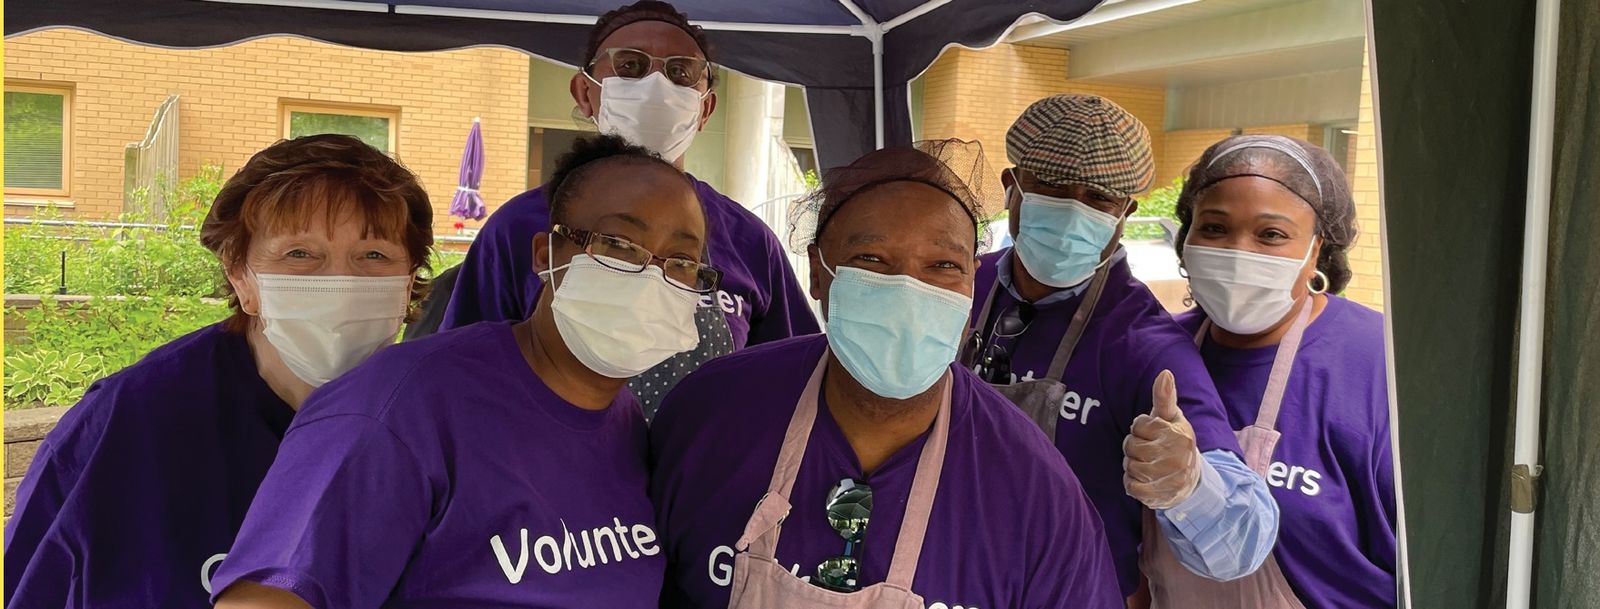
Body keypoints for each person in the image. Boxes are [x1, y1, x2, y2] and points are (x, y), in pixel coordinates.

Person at [210, 134, 707, 609]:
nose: (651, 274)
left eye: (681, 260)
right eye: (618, 244)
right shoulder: (400, 407)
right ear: (546, 255)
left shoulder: (625, 425)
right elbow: (269, 596)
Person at [650, 139, 1124, 609]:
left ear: (971, 284)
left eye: (943, 266)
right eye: (871, 261)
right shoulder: (710, 413)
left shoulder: (1036, 491)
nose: (908, 291)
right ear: (818, 272)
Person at [3, 134, 434, 609]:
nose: (341, 282)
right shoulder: (130, 422)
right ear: (240, 275)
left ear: (409, 280)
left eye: (373, 256)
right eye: (299, 254)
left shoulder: (440, 423)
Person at [963, 94, 1280, 599]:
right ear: (1011, 185)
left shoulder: (1144, 345)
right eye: (1051, 186)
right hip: (943, 574)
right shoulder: (961, 285)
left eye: (1099, 199)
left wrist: (1191, 485)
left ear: (1125, 212)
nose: (1073, 212)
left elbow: (1241, 542)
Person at [440, 0, 818, 416]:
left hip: (701, 475)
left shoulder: (749, 239)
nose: (657, 85)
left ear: (705, 108)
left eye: (680, 72)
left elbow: (791, 378)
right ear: (585, 92)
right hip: (550, 470)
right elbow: (462, 372)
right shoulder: (518, 226)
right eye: (631, 66)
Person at [1140, 135, 1396, 608]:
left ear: (1316, 249)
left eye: (1271, 234)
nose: (1240, 251)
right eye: (1214, 228)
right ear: (1186, 239)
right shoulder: (1157, 353)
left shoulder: (1379, 366)